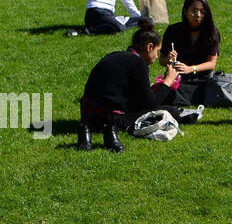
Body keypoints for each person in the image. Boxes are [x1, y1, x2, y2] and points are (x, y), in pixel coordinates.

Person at [78, 20, 190, 152]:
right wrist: (168, 81)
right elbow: (150, 105)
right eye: (157, 51)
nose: (156, 56)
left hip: (88, 112)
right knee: (170, 111)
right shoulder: (138, 63)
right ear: (149, 47)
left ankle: (85, 130)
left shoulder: (119, 56)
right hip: (104, 118)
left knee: (166, 109)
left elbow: (134, 96)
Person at [159, 0, 220, 106]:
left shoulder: (211, 32)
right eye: (194, 11)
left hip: (201, 78)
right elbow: (161, 60)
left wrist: (191, 69)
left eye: (202, 11)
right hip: (178, 77)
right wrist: (168, 59)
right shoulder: (173, 31)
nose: (198, 15)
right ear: (185, 11)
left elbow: (212, 63)